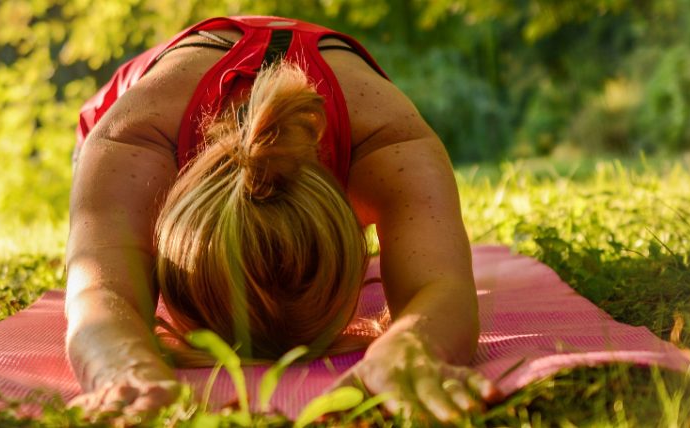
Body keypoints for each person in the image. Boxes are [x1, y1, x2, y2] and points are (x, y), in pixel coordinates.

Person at [65, 16, 495, 422]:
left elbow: (443, 287)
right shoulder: (133, 138)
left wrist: (413, 346)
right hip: (141, 105)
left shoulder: (389, 141)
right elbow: (97, 292)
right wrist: (121, 365)